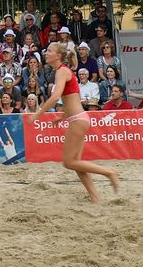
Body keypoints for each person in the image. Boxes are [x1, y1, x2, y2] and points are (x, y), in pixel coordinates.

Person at [32, 42, 119, 202]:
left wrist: (38, 113)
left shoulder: (62, 71)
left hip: (78, 120)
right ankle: (95, 198)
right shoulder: (64, 71)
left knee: (69, 162)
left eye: (49, 51)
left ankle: (109, 172)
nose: (46, 53)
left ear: (58, 56)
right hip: (77, 118)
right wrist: (63, 115)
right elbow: (72, 100)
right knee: (76, 163)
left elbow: (56, 96)